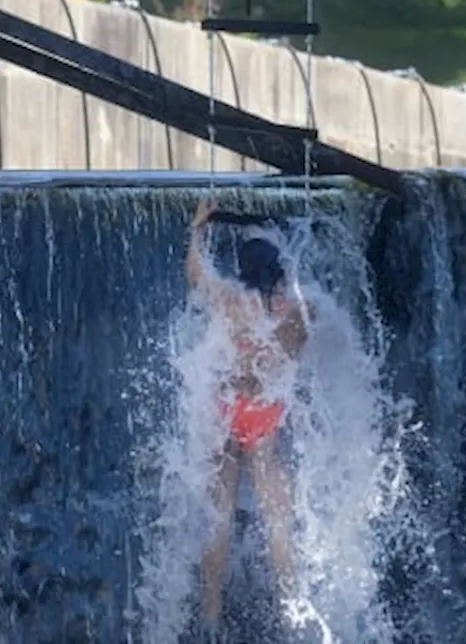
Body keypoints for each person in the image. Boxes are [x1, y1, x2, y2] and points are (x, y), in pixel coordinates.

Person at [185, 199, 314, 637]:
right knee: (279, 521)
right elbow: (315, 323)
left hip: (227, 410)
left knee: (218, 517)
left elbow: (196, 274)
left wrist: (198, 230)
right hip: (265, 416)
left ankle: (210, 614)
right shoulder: (299, 314)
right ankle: (291, 611)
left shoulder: (230, 302)